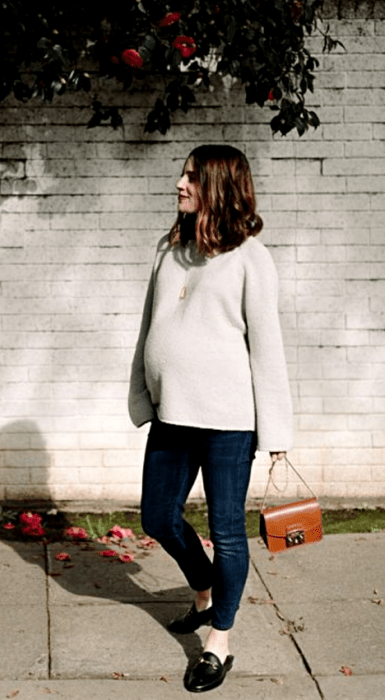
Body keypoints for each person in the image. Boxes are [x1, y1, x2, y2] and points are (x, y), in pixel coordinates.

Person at [128, 144, 293, 693]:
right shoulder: (169, 245)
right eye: (182, 174)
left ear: (218, 187)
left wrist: (276, 433)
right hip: (172, 415)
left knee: (227, 531)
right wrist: (141, 395)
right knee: (158, 517)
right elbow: (148, 328)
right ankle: (203, 592)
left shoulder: (250, 256)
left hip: (228, 421)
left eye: (192, 177)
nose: (179, 183)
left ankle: (218, 641)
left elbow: (267, 348)